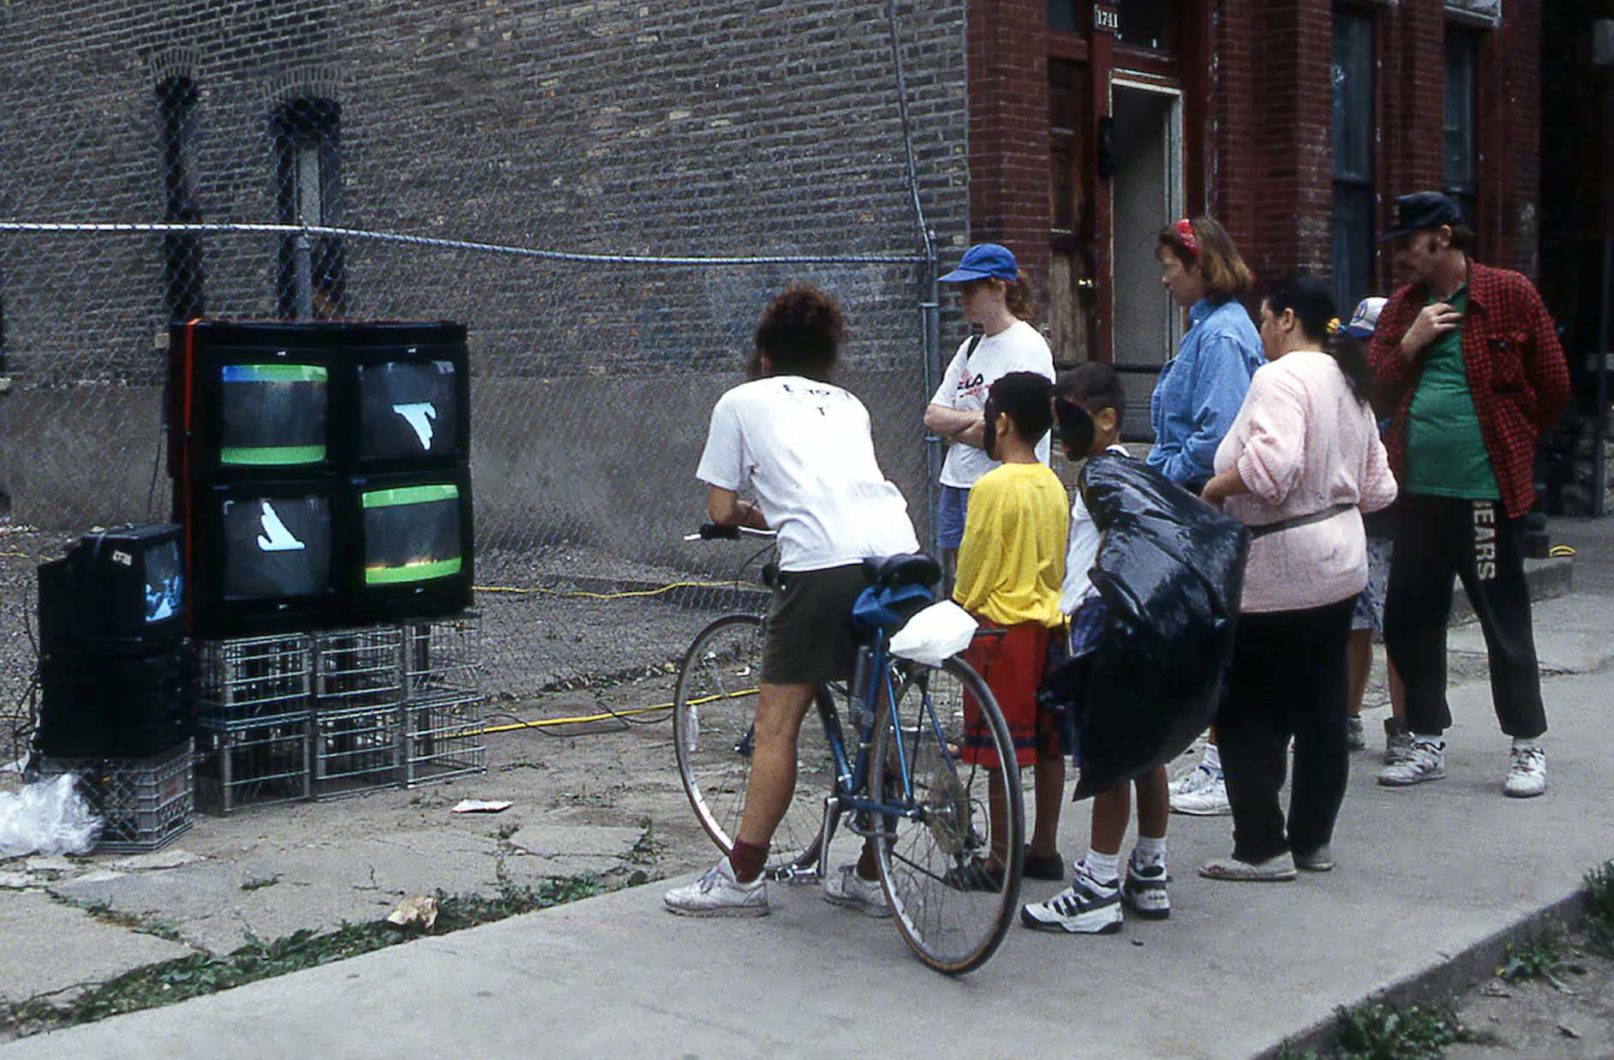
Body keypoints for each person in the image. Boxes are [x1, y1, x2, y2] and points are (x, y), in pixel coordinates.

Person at [664, 284, 920, 917]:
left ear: (764, 354)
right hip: (898, 553)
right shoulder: (850, 403)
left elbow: (721, 509)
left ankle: (743, 876)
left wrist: (759, 516)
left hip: (821, 567)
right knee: (875, 719)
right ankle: (870, 872)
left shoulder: (740, 401)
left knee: (777, 725)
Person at [1368, 192, 1570, 798]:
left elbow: (1553, 383)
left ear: (1446, 238)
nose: (1402, 255)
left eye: (1411, 242)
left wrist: (1515, 436)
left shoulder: (1507, 293)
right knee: (1408, 618)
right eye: (1398, 244)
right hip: (1419, 499)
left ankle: (1527, 745)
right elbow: (1370, 392)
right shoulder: (1404, 308)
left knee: (1501, 617)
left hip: (1483, 498)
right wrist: (1411, 342)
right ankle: (1426, 739)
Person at [1197, 274, 1397, 881]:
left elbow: (1271, 469)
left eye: (1263, 319)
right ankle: (1312, 840)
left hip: (1280, 568)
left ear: (1287, 319)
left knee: (1245, 709)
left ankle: (1260, 846)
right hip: (1340, 565)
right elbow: (1379, 487)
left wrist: (1214, 487)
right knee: (1320, 705)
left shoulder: (1279, 378)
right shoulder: (1348, 379)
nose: (1259, 333)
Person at [1022, 364, 1172, 934]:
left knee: (1107, 759)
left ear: (1107, 420)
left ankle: (1099, 886)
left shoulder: (1101, 478)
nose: (1061, 435)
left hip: (1099, 624)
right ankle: (1149, 870)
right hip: (1137, 625)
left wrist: (1079, 615)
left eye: (1070, 421)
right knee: (1145, 755)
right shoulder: (1135, 470)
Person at [1149, 216, 1263, 818]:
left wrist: (1162, 471)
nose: (1164, 279)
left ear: (1198, 266)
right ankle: (1222, 760)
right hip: (1197, 498)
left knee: (1220, 637)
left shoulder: (1220, 338)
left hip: (1206, 501)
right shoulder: (1208, 329)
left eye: (1170, 267)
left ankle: (1225, 768)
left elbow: (1217, 434)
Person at [950, 371, 1069, 888]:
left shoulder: (991, 487)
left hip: (1001, 630)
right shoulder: (1053, 483)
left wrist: (958, 610)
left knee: (1001, 751)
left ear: (1002, 422)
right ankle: (1043, 845)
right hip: (1050, 625)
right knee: (1047, 745)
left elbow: (975, 567)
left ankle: (998, 858)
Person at [923, 244, 1055, 580]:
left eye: (972, 289)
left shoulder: (1027, 346)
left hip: (1000, 486)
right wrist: (977, 419)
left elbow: (1006, 434)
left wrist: (962, 427)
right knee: (960, 581)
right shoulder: (970, 347)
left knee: (997, 578)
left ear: (999, 288)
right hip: (956, 480)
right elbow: (932, 416)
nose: (963, 298)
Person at [1337, 296, 1411, 760]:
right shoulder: (1348, 388)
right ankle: (1347, 717)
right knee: (1355, 623)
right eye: (1357, 342)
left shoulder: (1408, 386)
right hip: (1356, 520)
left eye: (1370, 343)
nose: (1362, 352)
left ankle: (1404, 724)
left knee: (1400, 626)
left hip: (1401, 521)